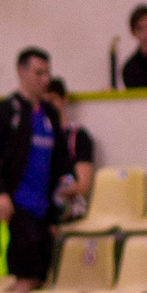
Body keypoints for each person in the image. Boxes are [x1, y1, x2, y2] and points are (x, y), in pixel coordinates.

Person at [0, 48, 61, 293]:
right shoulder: (5, 111)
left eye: (47, 73)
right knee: (25, 276)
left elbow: (58, 162)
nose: (44, 79)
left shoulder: (51, 114)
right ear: (21, 71)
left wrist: (54, 213)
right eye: (38, 73)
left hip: (42, 208)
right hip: (15, 206)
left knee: (38, 278)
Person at [44, 79, 98, 222]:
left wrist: (63, 189)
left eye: (52, 100)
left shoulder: (77, 136)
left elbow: (83, 186)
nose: (49, 105)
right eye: (45, 101)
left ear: (64, 100)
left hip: (68, 200)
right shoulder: (35, 137)